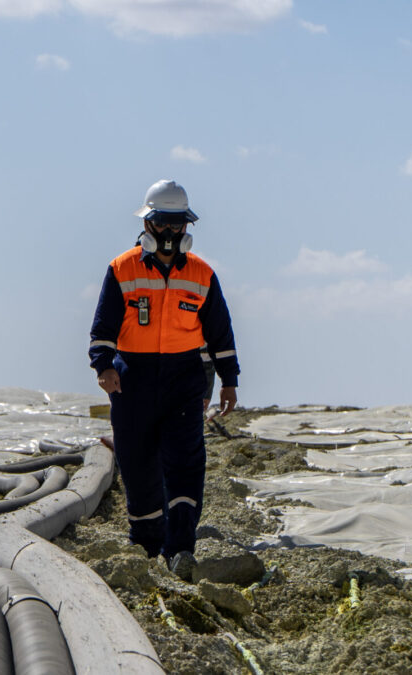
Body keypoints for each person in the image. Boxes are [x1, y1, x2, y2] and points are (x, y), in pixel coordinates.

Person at [88, 179, 240, 577]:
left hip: (183, 379)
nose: (171, 232)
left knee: (185, 464)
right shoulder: (122, 269)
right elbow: (103, 328)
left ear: (187, 226)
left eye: (178, 224)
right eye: (163, 223)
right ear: (147, 224)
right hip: (132, 379)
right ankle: (145, 546)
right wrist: (104, 367)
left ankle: (181, 549)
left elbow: (220, 333)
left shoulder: (202, 274)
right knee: (137, 464)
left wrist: (229, 380)